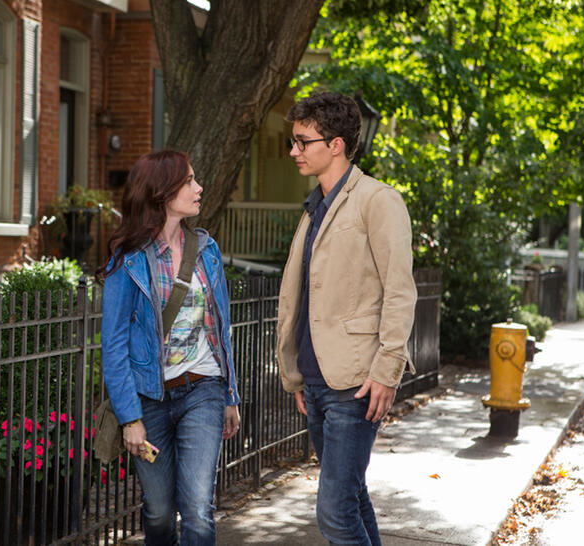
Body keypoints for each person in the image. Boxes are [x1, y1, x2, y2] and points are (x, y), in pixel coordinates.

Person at [276, 92, 417, 545]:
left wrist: (387, 371)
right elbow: (306, 295)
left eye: (302, 141)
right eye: (292, 141)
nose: (294, 151)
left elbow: (400, 291)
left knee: (335, 513)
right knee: (352, 499)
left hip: (357, 382)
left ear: (335, 144)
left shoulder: (378, 201)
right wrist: (299, 375)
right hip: (318, 381)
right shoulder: (314, 207)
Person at [98, 150, 241, 545]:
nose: (199, 188)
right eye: (189, 181)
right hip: (150, 401)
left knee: (197, 508)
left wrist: (230, 396)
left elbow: (221, 328)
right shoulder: (127, 262)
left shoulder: (206, 251)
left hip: (203, 390)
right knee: (159, 512)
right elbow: (113, 347)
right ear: (162, 193)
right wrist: (130, 418)